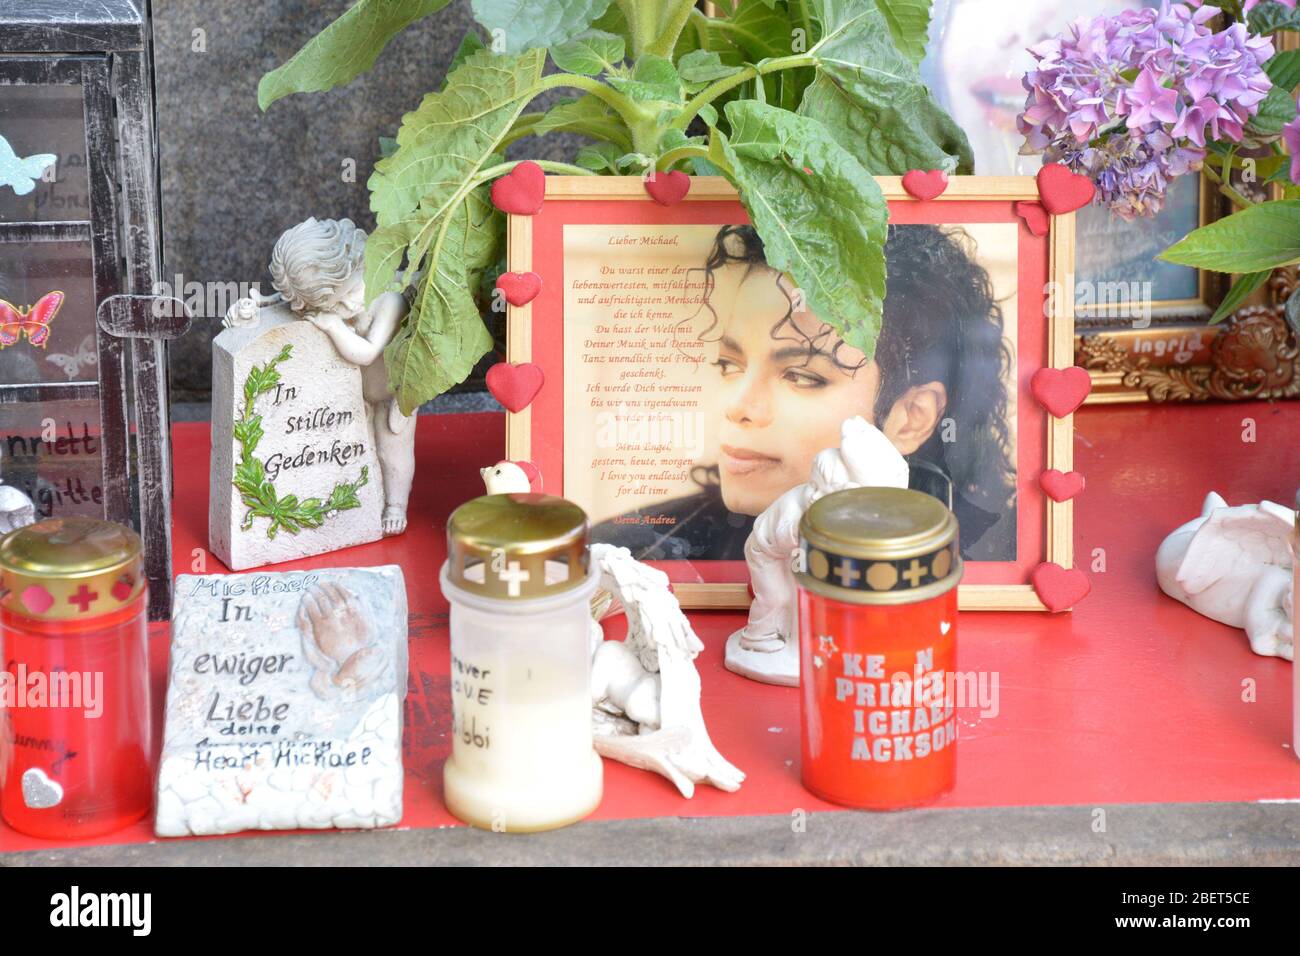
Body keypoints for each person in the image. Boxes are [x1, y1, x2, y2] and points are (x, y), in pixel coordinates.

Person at [593, 222, 1017, 562]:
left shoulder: (991, 569)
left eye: (801, 376)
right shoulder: (624, 557)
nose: (738, 406)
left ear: (912, 417)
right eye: (730, 365)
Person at [268, 217, 416, 536]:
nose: (347, 305)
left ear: (362, 262)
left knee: (392, 451)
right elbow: (292, 310)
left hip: (394, 395)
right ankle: (363, 501)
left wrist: (334, 326)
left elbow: (366, 352)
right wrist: (259, 305)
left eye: (351, 291)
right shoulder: (338, 301)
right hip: (355, 395)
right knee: (357, 455)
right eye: (334, 303)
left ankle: (395, 504)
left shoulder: (389, 300)